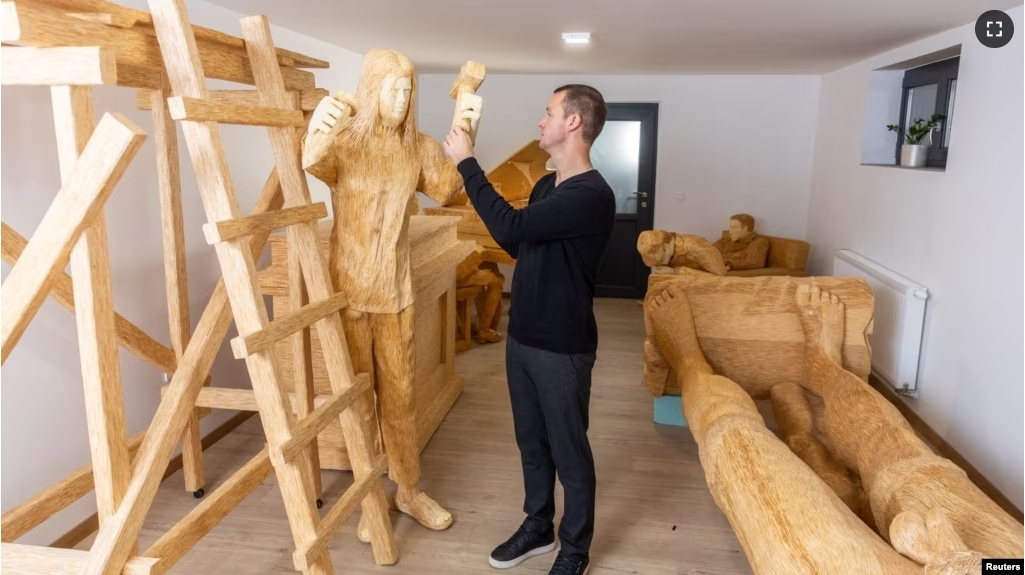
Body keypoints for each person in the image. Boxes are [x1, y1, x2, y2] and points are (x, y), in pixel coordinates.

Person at [302, 48, 483, 538]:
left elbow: (447, 189)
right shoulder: (345, 144)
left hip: (396, 293)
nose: (402, 99)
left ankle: (407, 490)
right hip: (351, 292)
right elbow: (312, 161)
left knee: (401, 397)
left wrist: (467, 122)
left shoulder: (417, 147)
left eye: (409, 90)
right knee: (359, 399)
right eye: (393, 88)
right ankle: (368, 496)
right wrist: (319, 124)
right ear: (371, 88)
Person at [442, 84, 616, 575]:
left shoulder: (591, 195)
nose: (541, 122)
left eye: (548, 113)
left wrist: (467, 163)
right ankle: (538, 524)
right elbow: (524, 248)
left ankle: (575, 549)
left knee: (569, 449)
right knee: (532, 443)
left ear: (575, 123)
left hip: (563, 348)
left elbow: (513, 231)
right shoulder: (547, 186)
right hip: (523, 340)